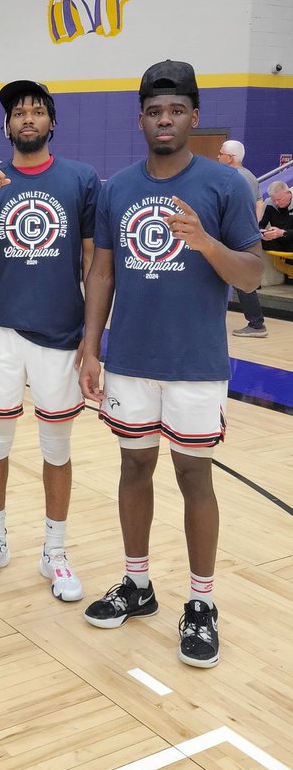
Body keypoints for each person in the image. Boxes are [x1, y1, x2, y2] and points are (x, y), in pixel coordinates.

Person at [80, 60, 262, 668]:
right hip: (131, 357)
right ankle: (137, 584)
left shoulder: (226, 186)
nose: (165, 120)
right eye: (155, 112)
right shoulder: (117, 188)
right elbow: (102, 269)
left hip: (196, 361)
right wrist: (90, 344)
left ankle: (202, 603)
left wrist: (207, 243)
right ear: (140, 119)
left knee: (194, 478)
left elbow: (255, 272)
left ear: (194, 117)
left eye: (176, 110)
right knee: (134, 468)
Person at [0, 80, 99, 600]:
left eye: (38, 112)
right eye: (20, 112)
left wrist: (92, 337)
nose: (28, 119)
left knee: (56, 446)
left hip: (61, 333)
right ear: (7, 124)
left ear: (52, 123)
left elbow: (92, 261)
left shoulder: (81, 179)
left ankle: (54, 551)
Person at [217, 140, 267, 338]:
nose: (217, 157)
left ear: (230, 158)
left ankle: (256, 324)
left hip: (230, 235)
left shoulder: (229, 178)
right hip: (245, 234)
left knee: (235, 278)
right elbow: (259, 204)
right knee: (240, 278)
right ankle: (255, 322)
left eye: (220, 154)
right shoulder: (252, 177)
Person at [260, 181, 293, 248]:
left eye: (279, 199)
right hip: (277, 242)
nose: (277, 203)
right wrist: (262, 233)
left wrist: (282, 233)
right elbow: (261, 224)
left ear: (288, 193)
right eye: (274, 200)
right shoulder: (269, 203)